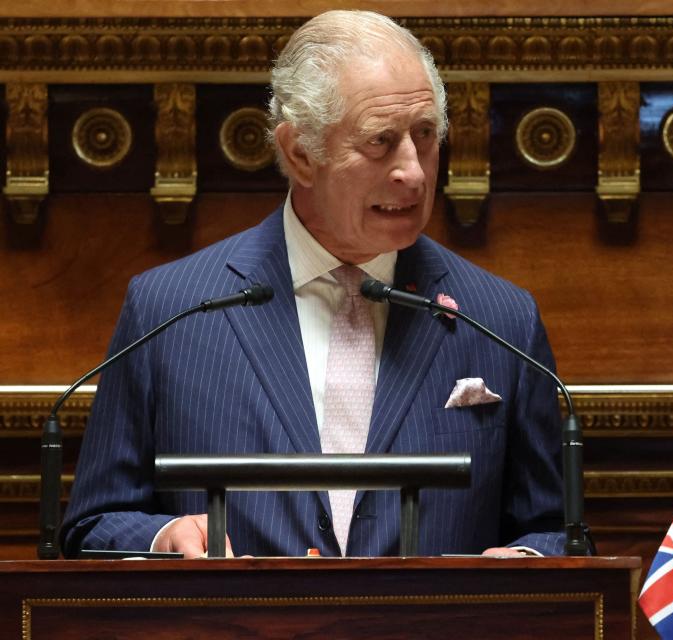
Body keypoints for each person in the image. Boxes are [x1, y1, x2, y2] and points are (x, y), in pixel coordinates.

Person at [60, 10, 566, 558]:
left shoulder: (500, 319)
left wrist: (526, 563)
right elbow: (93, 526)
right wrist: (164, 538)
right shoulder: (171, 310)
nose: (414, 172)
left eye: (424, 136)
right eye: (381, 141)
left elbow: (558, 528)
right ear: (301, 153)